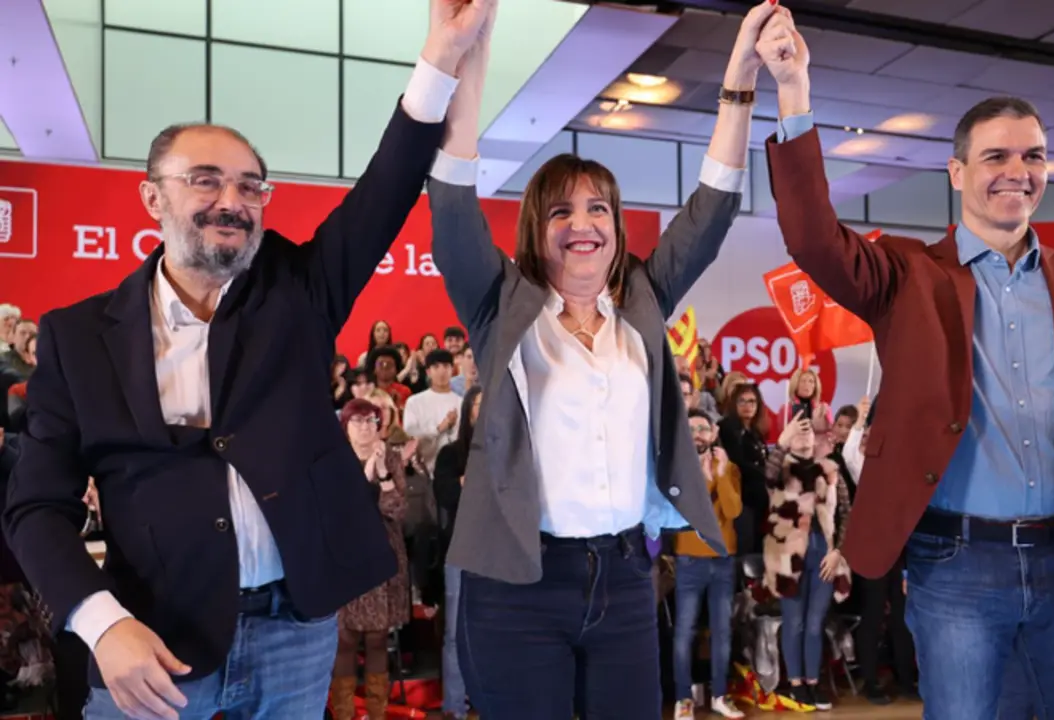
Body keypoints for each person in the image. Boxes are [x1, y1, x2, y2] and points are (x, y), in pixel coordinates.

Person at [0, 3, 493, 718]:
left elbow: (386, 188)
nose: (232, 201)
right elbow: (35, 507)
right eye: (205, 180)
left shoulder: (297, 292)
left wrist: (440, 56)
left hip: (295, 631)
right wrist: (101, 624)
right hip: (150, 643)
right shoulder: (80, 339)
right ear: (151, 198)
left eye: (250, 185)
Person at [756, 11, 1054, 719]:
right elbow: (813, 237)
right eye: (997, 157)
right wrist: (794, 87)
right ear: (957, 172)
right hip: (957, 571)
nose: (1019, 172)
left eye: (1034, 156)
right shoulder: (907, 276)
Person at [425, 2, 786, 715]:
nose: (583, 224)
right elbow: (453, 200)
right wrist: (466, 57)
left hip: (624, 578)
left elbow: (710, 212)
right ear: (537, 229)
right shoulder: (501, 304)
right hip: (518, 587)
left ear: (618, 229)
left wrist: (739, 82)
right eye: (561, 211)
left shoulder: (644, 303)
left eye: (599, 209)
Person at [763, 412, 851, 711]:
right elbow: (768, 477)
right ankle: (796, 683)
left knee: (815, 623)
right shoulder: (782, 469)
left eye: (808, 432)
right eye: (798, 433)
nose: (804, 437)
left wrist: (837, 550)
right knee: (795, 622)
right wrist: (782, 443)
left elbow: (846, 516)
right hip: (789, 557)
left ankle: (814, 682)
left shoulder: (831, 471)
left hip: (824, 555)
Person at [329, 399, 410, 720]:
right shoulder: (335, 461)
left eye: (370, 420)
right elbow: (343, 512)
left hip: (383, 554)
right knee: (345, 639)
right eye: (357, 421)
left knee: (377, 639)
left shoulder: (390, 458)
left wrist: (383, 474)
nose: (364, 427)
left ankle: (378, 713)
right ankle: (344, 713)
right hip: (345, 557)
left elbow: (398, 511)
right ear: (345, 427)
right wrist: (365, 474)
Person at [672, 409, 743, 720]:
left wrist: (722, 474)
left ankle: (719, 695)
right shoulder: (676, 469)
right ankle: (683, 698)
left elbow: (733, 510)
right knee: (684, 632)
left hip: (723, 560)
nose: (698, 434)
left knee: (722, 631)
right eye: (691, 429)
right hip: (689, 560)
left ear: (714, 433)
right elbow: (685, 513)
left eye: (703, 428)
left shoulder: (729, 467)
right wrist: (701, 479)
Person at [430, 384, 482, 720]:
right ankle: (454, 707)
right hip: (461, 550)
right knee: (455, 634)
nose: (485, 411)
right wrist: (469, 482)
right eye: (478, 405)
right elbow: (447, 494)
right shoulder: (451, 453)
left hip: (500, 552)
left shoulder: (510, 450)